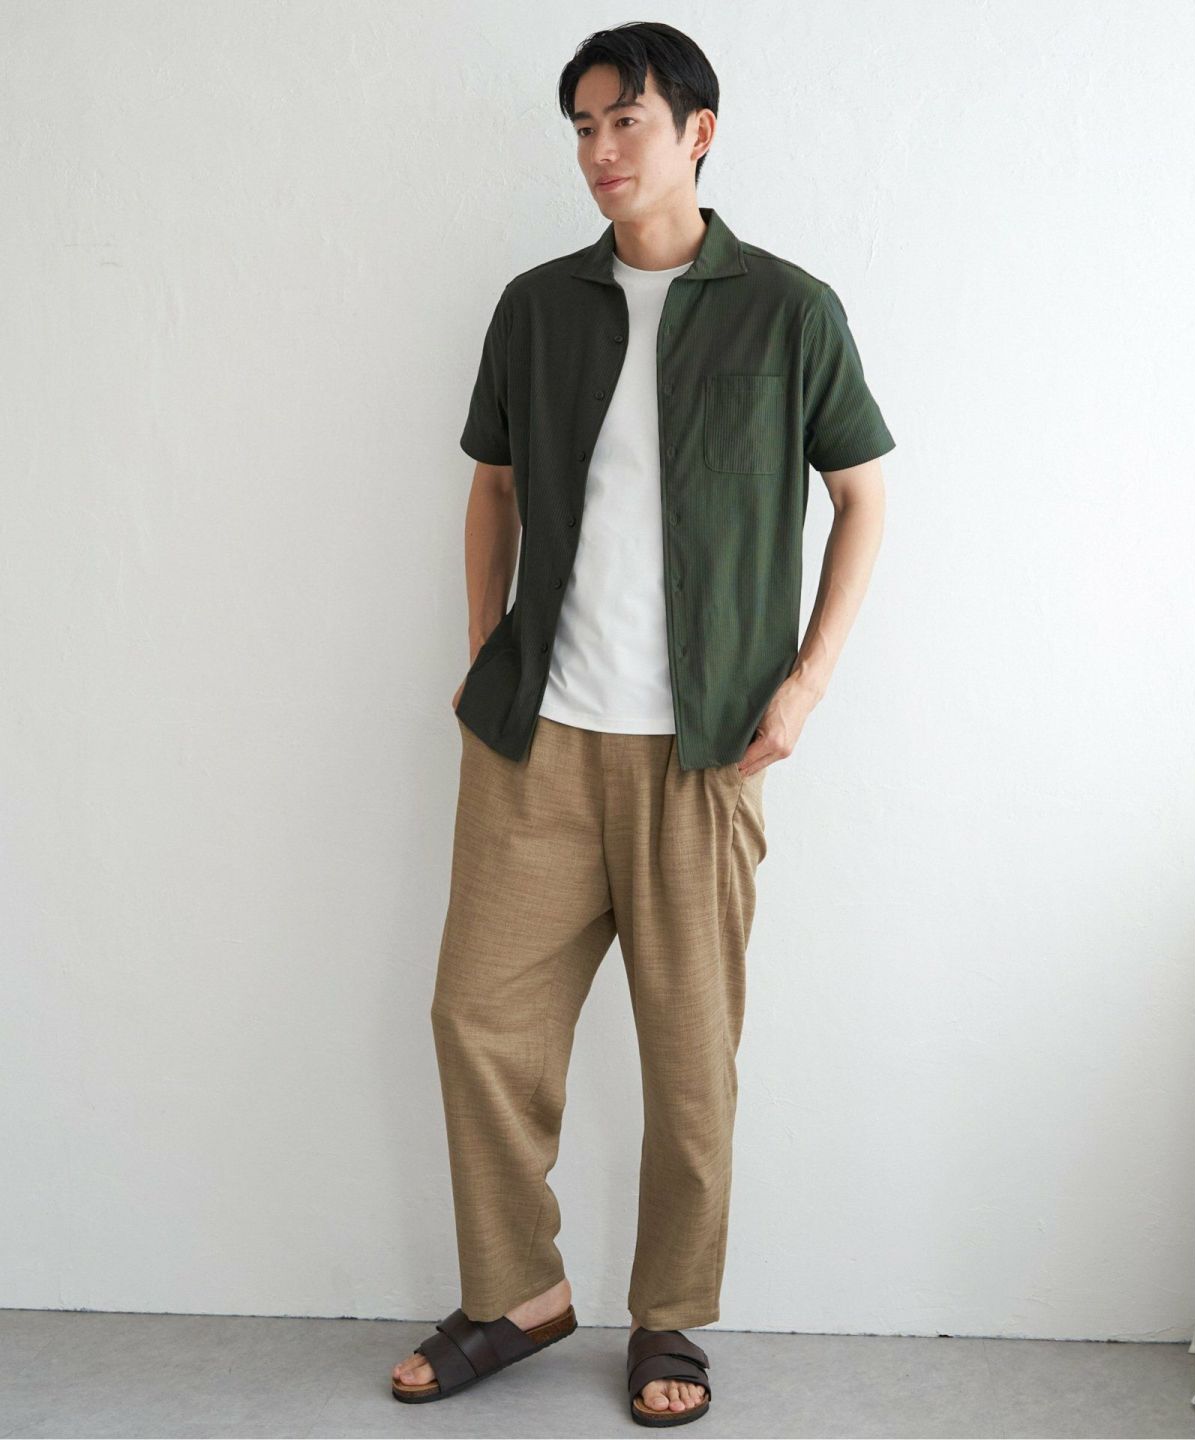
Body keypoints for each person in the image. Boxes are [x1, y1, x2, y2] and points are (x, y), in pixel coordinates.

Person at [392, 20, 896, 1428]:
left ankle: (670, 1318)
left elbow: (862, 495)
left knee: (688, 1064)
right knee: (475, 1020)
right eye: (582, 127)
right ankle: (519, 1294)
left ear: (697, 133)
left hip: (706, 749)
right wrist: (482, 646)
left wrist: (805, 685)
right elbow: (494, 483)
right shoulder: (536, 308)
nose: (600, 151)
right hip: (538, 739)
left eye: (626, 121)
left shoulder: (790, 311)